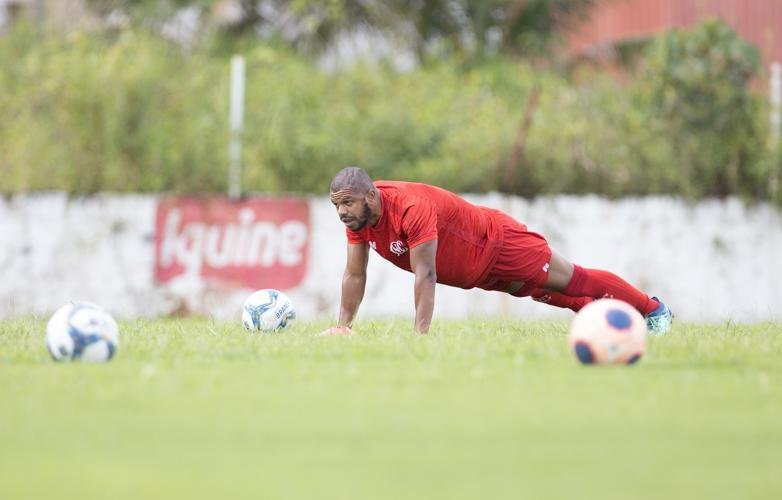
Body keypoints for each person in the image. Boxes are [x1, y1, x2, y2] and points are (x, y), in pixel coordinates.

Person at [320, 166, 673, 336]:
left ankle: (654, 310)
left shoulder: (411, 208)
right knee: (548, 295)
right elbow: (355, 273)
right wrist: (342, 326)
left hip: (501, 244)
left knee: (572, 279)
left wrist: (419, 339)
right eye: (337, 206)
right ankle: (604, 319)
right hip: (479, 272)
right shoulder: (359, 222)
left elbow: (427, 275)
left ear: (370, 196)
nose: (342, 212)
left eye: (347, 203)